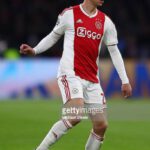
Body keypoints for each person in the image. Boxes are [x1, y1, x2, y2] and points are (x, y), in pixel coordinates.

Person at [20, 0, 132, 149]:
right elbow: (54, 35)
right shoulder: (69, 14)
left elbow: (114, 51)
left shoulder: (106, 22)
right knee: (75, 115)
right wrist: (35, 50)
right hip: (70, 74)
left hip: (92, 80)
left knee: (101, 125)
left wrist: (125, 80)